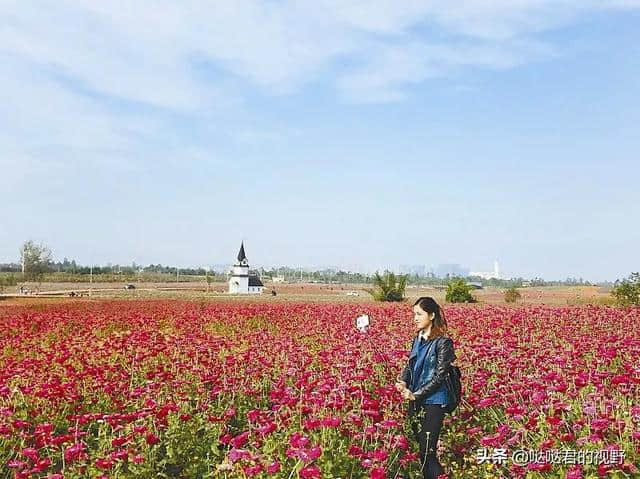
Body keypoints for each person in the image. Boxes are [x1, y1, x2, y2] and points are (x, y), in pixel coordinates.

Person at [395, 297, 456, 479]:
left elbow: (440, 376)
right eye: (414, 314)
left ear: (431, 315)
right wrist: (404, 381)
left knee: (427, 451)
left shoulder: (443, 342)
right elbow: (410, 364)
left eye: (419, 314)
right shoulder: (418, 339)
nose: (415, 318)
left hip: (434, 401)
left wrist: (416, 395)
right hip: (415, 398)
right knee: (422, 451)